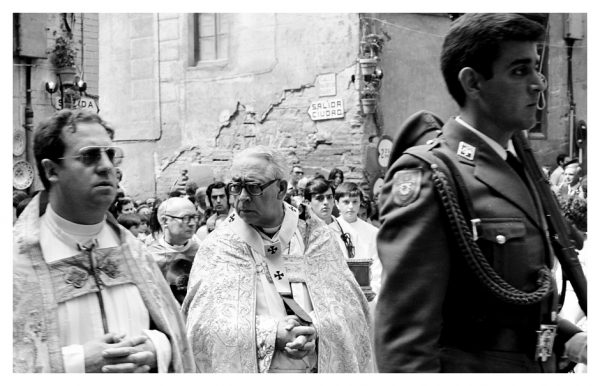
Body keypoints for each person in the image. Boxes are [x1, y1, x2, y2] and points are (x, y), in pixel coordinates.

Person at [376, 14, 585, 373]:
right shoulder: (431, 176)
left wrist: (570, 339)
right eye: (519, 71)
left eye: (537, 68)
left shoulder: (515, 167)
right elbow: (405, 345)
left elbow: (509, 299)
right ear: (473, 82)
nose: (538, 84)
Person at [13, 109, 194, 373]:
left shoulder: (132, 252)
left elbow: (172, 331)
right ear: (52, 170)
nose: (107, 166)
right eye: (89, 155)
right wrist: (78, 362)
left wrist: (156, 349)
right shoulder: (16, 262)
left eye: (110, 154)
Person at [183, 145, 373, 373]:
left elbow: (351, 312)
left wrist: (315, 328)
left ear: (281, 189)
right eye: (236, 187)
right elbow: (201, 329)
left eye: (253, 187)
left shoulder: (315, 236)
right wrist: (271, 334)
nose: (242, 198)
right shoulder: (219, 247)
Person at [146, 197, 200, 304]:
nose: (192, 223)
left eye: (194, 217)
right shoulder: (150, 257)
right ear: (165, 220)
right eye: (185, 218)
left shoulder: (202, 250)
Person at [334, 182, 382, 301]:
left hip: (368, 295)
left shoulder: (372, 232)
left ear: (360, 202)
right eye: (346, 202)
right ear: (337, 203)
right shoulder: (329, 231)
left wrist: (373, 291)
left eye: (355, 201)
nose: (350, 206)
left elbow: (378, 267)